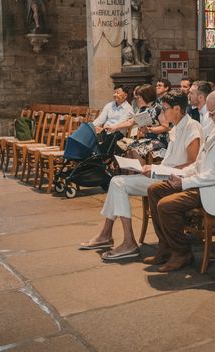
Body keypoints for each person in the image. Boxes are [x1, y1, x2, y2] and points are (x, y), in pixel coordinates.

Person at [79, 92, 203, 260]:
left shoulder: (192, 126)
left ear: (177, 108)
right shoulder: (177, 126)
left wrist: (159, 170)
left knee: (117, 183)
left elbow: (192, 162)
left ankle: (123, 240)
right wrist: (153, 167)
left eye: (165, 109)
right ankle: (107, 235)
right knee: (117, 182)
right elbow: (171, 161)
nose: (163, 114)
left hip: (173, 179)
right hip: (163, 175)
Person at [145, 89, 215, 272]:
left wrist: (185, 183)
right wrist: (180, 175)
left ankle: (181, 253)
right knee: (155, 190)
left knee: (166, 205)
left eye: (212, 112)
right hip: (205, 182)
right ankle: (166, 247)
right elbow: (200, 163)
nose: (210, 117)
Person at [106, 84, 167, 163]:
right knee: (128, 150)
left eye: (138, 97)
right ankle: (132, 174)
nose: (137, 100)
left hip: (159, 140)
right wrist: (114, 127)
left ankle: (143, 172)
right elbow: (130, 121)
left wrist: (150, 129)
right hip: (147, 139)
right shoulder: (142, 108)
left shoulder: (158, 108)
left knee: (136, 150)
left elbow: (165, 127)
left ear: (146, 96)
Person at [125, 0, 149, 66]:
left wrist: (143, 14)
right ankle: (136, 59)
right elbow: (135, 7)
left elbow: (141, 9)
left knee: (145, 42)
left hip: (139, 20)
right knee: (135, 40)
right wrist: (139, 3)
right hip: (133, 19)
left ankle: (142, 59)